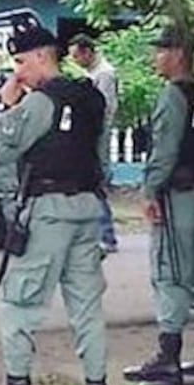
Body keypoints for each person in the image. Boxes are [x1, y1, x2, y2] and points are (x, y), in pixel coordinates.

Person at [0, 24, 112, 385]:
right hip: (87, 209)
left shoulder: (39, 103)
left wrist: (5, 107)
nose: (17, 73)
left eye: (21, 62)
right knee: (87, 309)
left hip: (47, 212)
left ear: (43, 57)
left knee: (18, 304)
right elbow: (99, 154)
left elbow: (1, 149)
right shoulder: (91, 99)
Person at [123, 26, 194, 385]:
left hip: (180, 196)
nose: (156, 58)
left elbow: (165, 149)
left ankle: (168, 355)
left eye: (160, 51)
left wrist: (150, 190)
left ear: (178, 54)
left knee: (170, 270)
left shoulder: (174, 95)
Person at [68, 33, 120, 255]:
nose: (75, 61)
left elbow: (104, 108)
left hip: (97, 136)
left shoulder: (104, 75)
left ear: (87, 52)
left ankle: (106, 235)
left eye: (76, 56)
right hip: (92, 135)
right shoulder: (92, 74)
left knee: (95, 183)